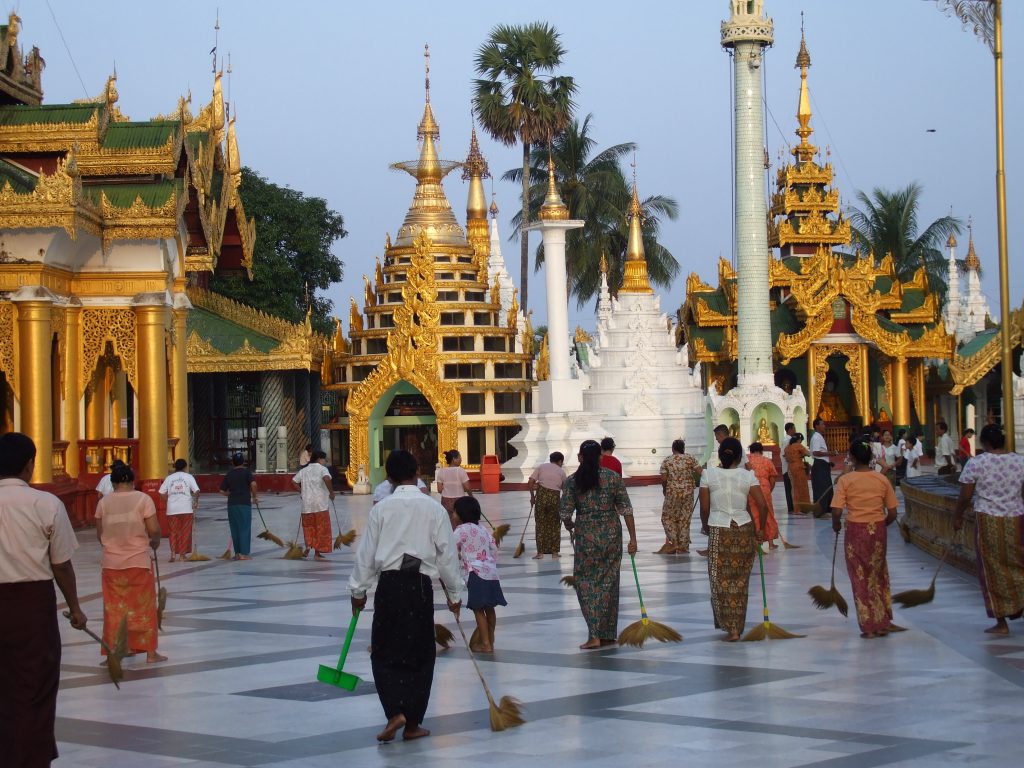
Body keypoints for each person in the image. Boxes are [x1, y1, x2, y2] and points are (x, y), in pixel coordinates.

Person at [349, 450, 462, 742]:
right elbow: (447, 555)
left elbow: (367, 556)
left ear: (389, 477)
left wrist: (358, 592)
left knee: (384, 650)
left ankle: (394, 712)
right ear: (418, 471)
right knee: (421, 653)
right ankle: (412, 723)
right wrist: (454, 594)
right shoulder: (434, 509)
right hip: (420, 588)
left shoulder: (381, 509)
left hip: (389, 586)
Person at [0, 432, 87, 767]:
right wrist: (76, 608)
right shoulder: (45, 504)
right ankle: (31, 757)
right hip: (31, 609)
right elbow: (61, 565)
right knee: (34, 686)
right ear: (29, 465)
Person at [559, 439, 638, 650]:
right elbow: (626, 509)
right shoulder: (612, 478)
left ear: (580, 457)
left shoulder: (572, 481)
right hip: (612, 534)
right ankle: (608, 634)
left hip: (586, 536)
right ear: (601, 457)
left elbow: (565, 513)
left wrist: (570, 525)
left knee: (586, 583)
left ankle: (594, 634)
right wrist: (633, 539)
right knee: (609, 583)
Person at [954, 424, 1024, 636]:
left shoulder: (977, 463)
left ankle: (1001, 623)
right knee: (1019, 563)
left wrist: (957, 517)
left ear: (984, 443)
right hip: (1016, 519)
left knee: (991, 569)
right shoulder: (1020, 461)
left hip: (988, 520)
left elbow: (965, 496)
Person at [94, 463, 166, 664]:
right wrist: (155, 541)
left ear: (113, 482)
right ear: (132, 481)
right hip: (138, 562)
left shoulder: (104, 504)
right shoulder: (143, 499)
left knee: (114, 608)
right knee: (144, 607)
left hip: (111, 564)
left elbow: (99, 535)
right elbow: (153, 529)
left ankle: (114, 652)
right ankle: (150, 653)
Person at [699, 437, 768, 642]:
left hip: (719, 529)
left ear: (720, 455)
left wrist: (705, 526)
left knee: (719, 580)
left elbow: (704, 508)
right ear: (739, 456)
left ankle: (731, 628)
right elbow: (762, 506)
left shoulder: (708, 475)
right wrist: (761, 529)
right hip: (744, 529)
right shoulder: (748, 476)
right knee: (740, 581)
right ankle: (737, 626)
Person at [830, 441, 900, 639]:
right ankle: (883, 621)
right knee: (878, 574)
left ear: (851, 458)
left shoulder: (846, 480)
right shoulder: (881, 479)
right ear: (871, 457)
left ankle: (869, 625)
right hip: (877, 529)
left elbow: (836, 510)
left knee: (860, 575)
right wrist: (881, 525)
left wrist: (836, 523)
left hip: (855, 530)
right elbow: (893, 512)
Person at [453, 496, 506, 653]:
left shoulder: (461, 530)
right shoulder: (483, 529)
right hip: (491, 573)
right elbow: (494, 548)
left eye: (454, 512)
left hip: (475, 573)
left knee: (478, 609)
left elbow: (450, 548)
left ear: (461, 514)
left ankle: (485, 644)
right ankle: (490, 639)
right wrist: (489, 564)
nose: (453, 515)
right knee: (490, 608)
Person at [656, 439, 701, 554]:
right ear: (683, 448)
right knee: (684, 519)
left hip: (672, 493)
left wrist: (664, 490)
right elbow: (700, 472)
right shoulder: (690, 458)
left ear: (673, 449)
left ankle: (675, 543)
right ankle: (683, 546)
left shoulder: (667, 461)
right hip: (688, 493)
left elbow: (664, 479)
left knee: (667, 518)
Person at [292, 450, 335, 560]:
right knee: (320, 528)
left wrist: (302, 491)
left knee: (309, 527)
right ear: (319, 459)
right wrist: (331, 492)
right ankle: (317, 553)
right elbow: (326, 478)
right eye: (324, 459)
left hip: (307, 505)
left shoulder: (304, 470)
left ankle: (308, 547)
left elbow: (294, 481)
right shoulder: (322, 469)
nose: (325, 461)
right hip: (320, 505)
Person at [159, 458, 199, 563]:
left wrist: (168, 500)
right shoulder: (189, 477)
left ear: (175, 467)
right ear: (185, 467)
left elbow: (161, 493)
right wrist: (195, 501)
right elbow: (196, 490)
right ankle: (182, 555)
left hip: (172, 509)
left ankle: (173, 554)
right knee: (185, 531)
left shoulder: (169, 478)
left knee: (172, 532)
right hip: (186, 508)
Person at [528, 452, 566, 559]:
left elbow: (531, 481)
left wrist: (532, 497)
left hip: (541, 497)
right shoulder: (561, 471)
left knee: (540, 524)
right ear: (560, 461)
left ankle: (540, 553)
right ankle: (554, 552)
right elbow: (566, 489)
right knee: (554, 525)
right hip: (554, 499)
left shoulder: (541, 467)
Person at [218, 453, 257, 560]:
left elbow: (221, 490)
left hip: (232, 504)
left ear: (233, 462)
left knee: (235, 528)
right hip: (244, 503)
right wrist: (255, 497)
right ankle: (244, 554)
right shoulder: (247, 472)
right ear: (243, 462)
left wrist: (229, 494)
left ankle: (237, 553)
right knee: (244, 527)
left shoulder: (229, 474)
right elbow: (253, 484)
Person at [746, 442, 780, 550]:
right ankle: (770, 543)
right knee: (768, 514)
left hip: (751, 488)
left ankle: (757, 543)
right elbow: (773, 479)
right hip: (765, 489)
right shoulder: (767, 461)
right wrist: (769, 490)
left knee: (754, 514)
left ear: (750, 450)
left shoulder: (747, 460)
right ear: (761, 450)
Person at [435, 449, 472, 523]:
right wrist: (471, 496)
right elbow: (467, 487)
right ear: (453, 459)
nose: (461, 459)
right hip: (459, 501)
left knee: (448, 522)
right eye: (459, 457)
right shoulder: (461, 471)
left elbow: (439, 490)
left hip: (446, 501)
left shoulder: (441, 471)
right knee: (460, 521)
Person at [809, 418, 833, 517]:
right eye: (822, 424)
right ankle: (820, 511)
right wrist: (829, 453)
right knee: (821, 488)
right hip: (819, 465)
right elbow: (815, 452)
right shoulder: (816, 437)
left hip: (823, 464)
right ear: (817, 426)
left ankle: (826, 509)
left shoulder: (819, 436)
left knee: (827, 487)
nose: (824, 426)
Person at [784, 433, 811, 512]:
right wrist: (802, 455)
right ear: (799, 439)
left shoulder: (787, 447)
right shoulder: (798, 445)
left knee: (794, 488)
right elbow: (808, 453)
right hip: (798, 467)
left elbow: (786, 458)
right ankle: (804, 508)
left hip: (790, 468)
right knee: (802, 487)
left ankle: (796, 508)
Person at [780, 422, 797, 513]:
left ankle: (792, 506)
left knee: (789, 487)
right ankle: (791, 507)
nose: (795, 430)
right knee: (790, 488)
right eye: (794, 428)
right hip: (788, 468)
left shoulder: (787, 439)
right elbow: (784, 454)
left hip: (787, 467)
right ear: (790, 430)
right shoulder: (788, 440)